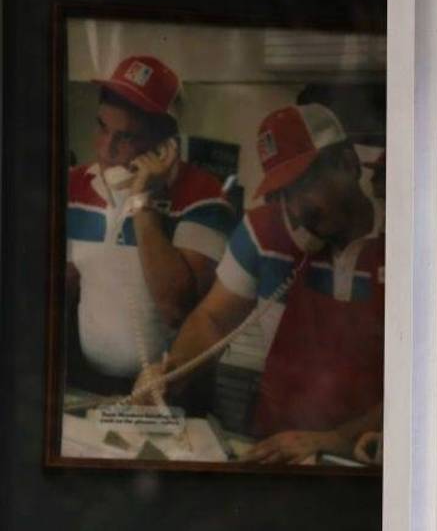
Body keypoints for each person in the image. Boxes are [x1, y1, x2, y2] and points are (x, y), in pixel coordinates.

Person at [135, 103, 384, 464]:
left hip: (365, 456)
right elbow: (213, 319)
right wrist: (173, 371)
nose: (295, 209)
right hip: (274, 445)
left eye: (303, 185)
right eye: (283, 193)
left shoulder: (406, 238)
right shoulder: (263, 231)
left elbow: (420, 381)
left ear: (347, 163)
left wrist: (333, 440)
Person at [66, 55, 233, 392]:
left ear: (164, 144)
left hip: (169, 386)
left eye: (125, 137)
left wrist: (143, 203)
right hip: (85, 379)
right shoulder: (74, 186)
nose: (106, 150)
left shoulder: (204, 195)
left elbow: (176, 307)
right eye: (102, 127)